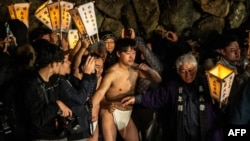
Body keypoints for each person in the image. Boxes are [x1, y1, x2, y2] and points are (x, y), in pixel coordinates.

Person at [121, 53, 224, 141]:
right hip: (183, 135)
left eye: (191, 70)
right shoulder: (173, 86)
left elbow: (223, 97)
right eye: (183, 71)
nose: (188, 74)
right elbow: (157, 97)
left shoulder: (208, 82)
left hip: (207, 134)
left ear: (196, 68)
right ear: (178, 72)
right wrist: (136, 99)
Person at [91, 38, 162, 141]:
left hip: (127, 113)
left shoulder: (136, 69)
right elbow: (101, 92)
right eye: (128, 53)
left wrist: (149, 70)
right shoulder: (112, 73)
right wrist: (89, 110)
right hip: (110, 112)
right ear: (119, 54)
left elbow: (158, 79)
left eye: (133, 53)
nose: (131, 56)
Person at [22, 39, 73, 141]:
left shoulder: (55, 80)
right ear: (53, 64)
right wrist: (56, 105)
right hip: (42, 137)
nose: (63, 64)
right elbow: (36, 120)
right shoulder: (31, 85)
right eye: (61, 62)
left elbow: (66, 101)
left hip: (58, 134)